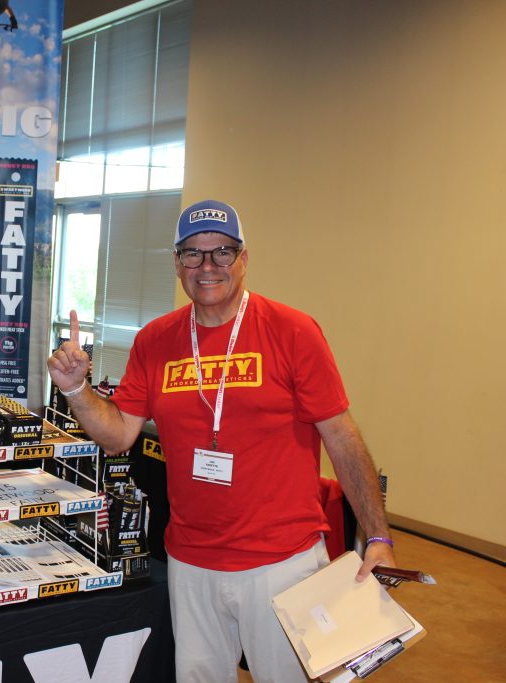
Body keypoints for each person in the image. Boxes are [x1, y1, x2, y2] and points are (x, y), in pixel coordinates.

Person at [46, 199, 395, 683]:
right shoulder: (155, 340)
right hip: (191, 562)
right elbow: (117, 436)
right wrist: (76, 390)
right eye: (193, 254)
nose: (207, 266)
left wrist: (377, 536)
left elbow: (342, 437)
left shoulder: (293, 331)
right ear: (177, 264)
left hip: (281, 562)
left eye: (221, 252)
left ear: (243, 259)